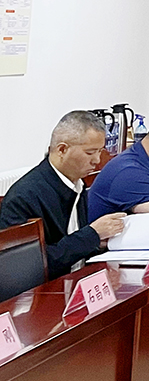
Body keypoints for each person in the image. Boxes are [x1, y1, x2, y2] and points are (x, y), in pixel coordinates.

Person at [0, 111, 126, 279]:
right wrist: (91, 235)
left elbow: (73, 243)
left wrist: (98, 242)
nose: (97, 160)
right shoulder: (24, 197)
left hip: (77, 278)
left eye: (100, 151)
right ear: (62, 149)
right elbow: (28, 268)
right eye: (90, 153)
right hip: (44, 289)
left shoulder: (76, 183)